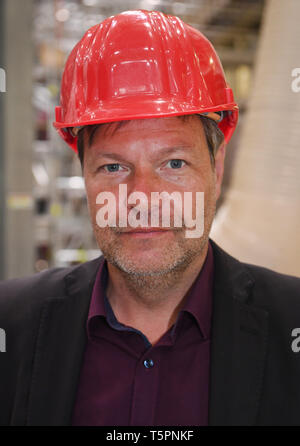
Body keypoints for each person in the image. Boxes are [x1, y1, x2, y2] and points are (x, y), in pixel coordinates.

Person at [0, 10, 300, 427]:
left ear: (216, 169)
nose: (141, 197)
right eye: (113, 167)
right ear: (83, 174)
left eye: (173, 164)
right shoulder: (11, 326)